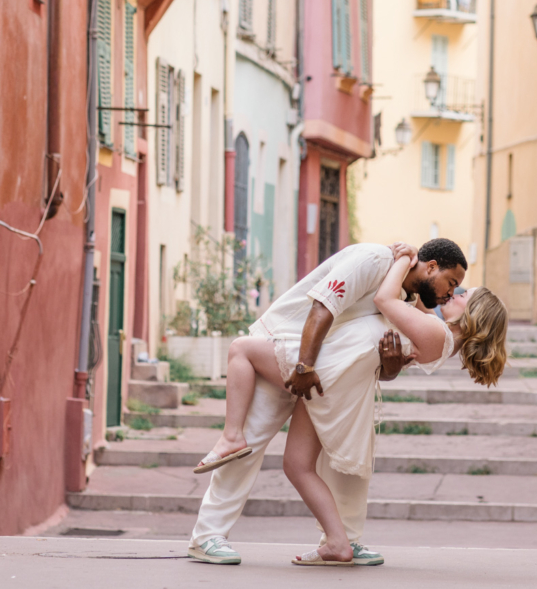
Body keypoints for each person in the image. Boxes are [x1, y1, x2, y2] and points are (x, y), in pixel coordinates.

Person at [186, 239, 466, 566]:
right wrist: (303, 366)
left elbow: (380, 365)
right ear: (431, 266)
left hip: (326, 370)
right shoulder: (375, 260)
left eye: (458, 289)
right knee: (249, 443)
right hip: (286, 346)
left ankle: (342, 538)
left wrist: (389, 366)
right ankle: (207, 537)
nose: (451, 292)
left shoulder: (407, 297)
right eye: (452, 282)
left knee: (339, 458)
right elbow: (323, 306)